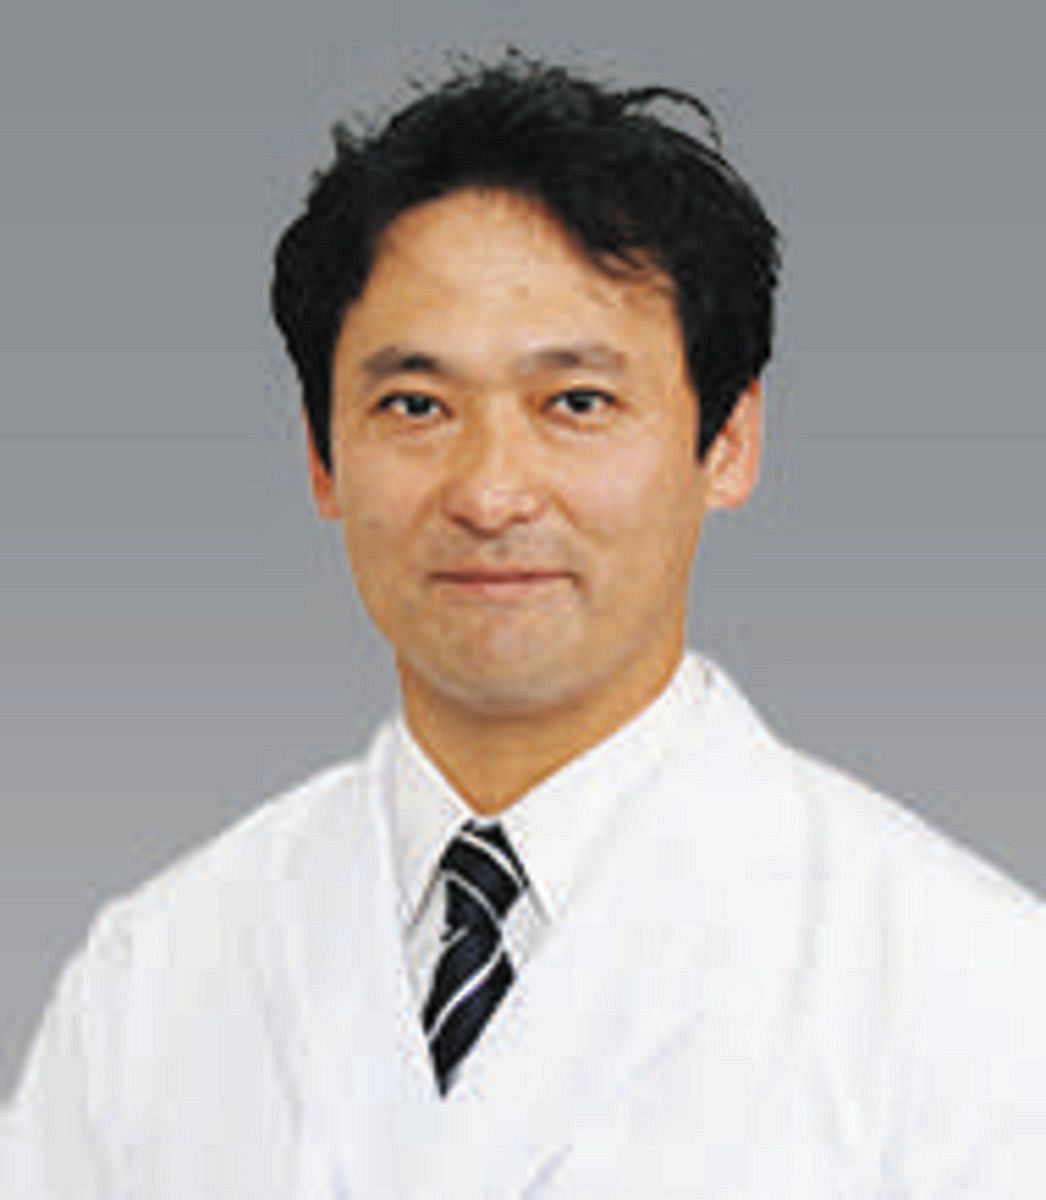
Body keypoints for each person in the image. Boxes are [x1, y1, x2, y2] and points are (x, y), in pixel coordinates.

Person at [3, 50, 1044, 1198]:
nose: (490, 493)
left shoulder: (972, 991)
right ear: (320, 455)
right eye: (415, 405)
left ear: (728, 442)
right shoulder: (153, 976)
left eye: (576, 403)